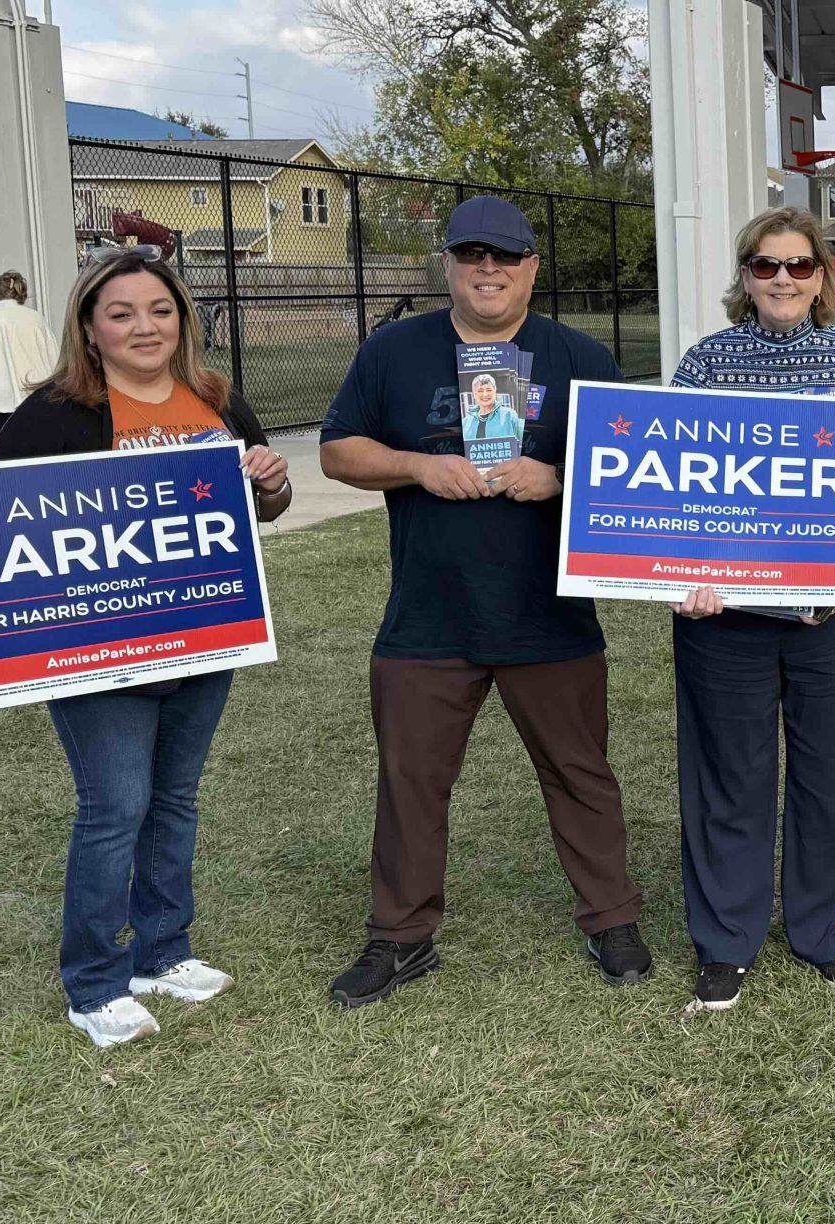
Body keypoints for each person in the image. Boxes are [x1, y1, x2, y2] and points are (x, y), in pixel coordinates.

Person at [0, 246, 292, 1048]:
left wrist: (274, 481)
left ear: (182, 318)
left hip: (204, 636)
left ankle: (163, 951)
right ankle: (94, 982)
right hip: (96, 649)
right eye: (122, 313)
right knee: (115, 809)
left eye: (160, 310)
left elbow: (263, 509)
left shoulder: (215, 398)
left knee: (175, 801)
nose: (144, 326)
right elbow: (1, 511)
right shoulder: (56, 412)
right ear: (90, 327)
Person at [317, 195, 651, 1007]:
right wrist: (418, 467)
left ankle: (610, 918)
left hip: (550, 615)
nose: (488, 270)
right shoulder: (395, 350)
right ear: (449, 266)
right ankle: (400, 937)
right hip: (429, 616)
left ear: (534, 267)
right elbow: (336, 451)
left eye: (505, 256)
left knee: (581, 774)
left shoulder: (578, 357)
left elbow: (639, 470)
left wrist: (562, 478)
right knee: (410, 781)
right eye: (472, 256)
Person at [663, 207, 835, 1015]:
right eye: (766, 266)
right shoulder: (705, 365)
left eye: (799, 266)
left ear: (822, 277)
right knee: (727, 778)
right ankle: (725, 943)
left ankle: (827, 935)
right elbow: (669, 484)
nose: (782, 280)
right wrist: (686, 572)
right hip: (723, 618)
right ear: (745, 277)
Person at [0, 270, 57, 437]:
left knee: (6, 446)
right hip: (36, 392)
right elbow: (53, 355)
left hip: (0, 392)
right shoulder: (35, 317)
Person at [464, 374, 520, 440]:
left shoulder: (510, 415)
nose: (485, 394)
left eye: (489, 390)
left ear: (495, 391)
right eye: (480, 391)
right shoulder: (466, 422)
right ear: (474, 394)